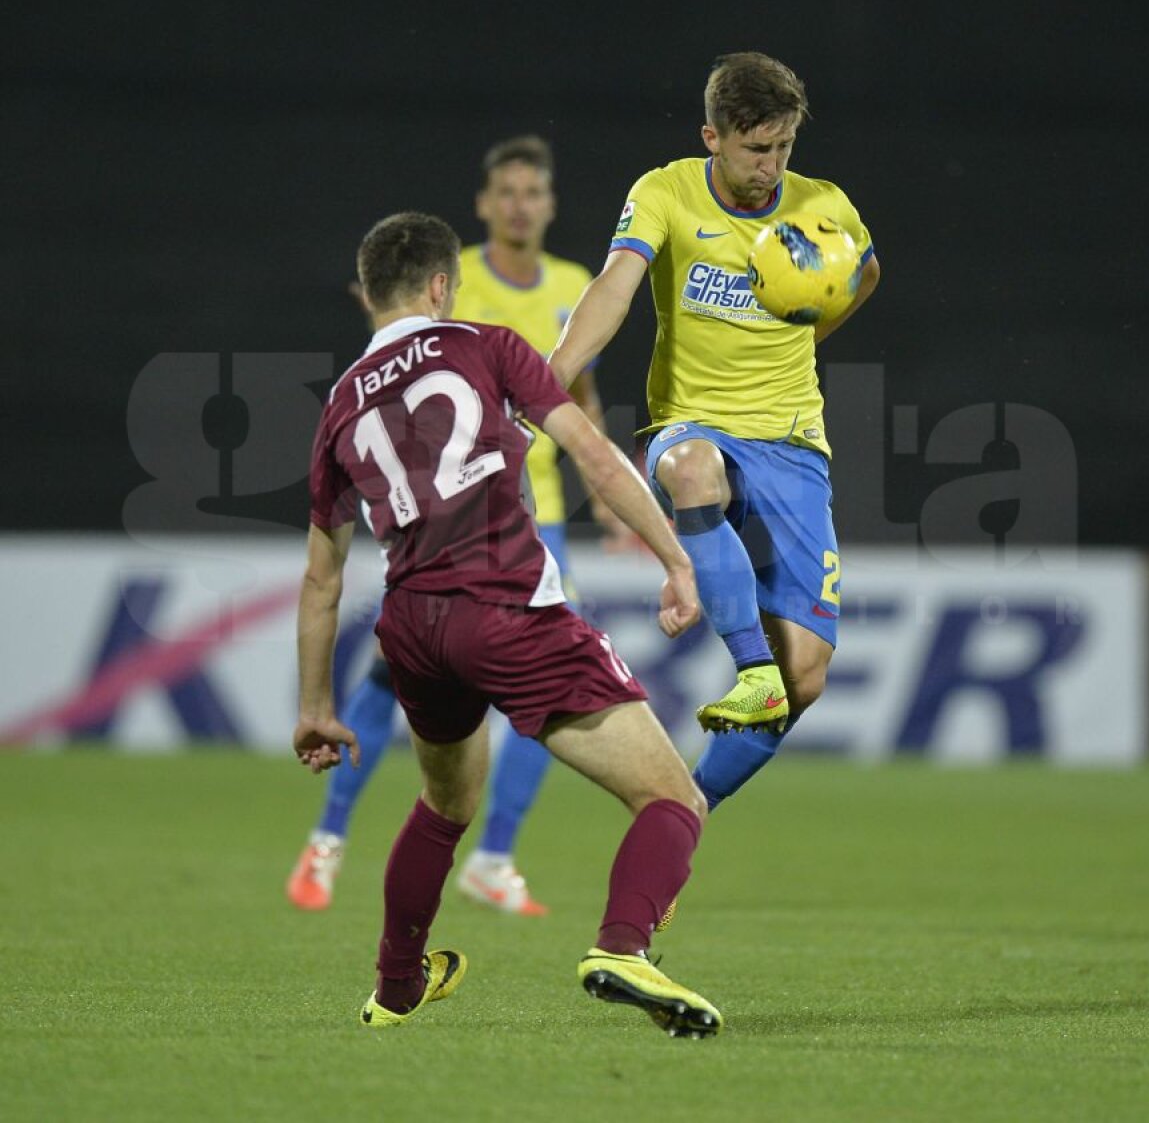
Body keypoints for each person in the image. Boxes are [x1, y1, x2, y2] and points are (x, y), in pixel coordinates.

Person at [293, 210, 721, 1038]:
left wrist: (315, 704)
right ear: (442, 285)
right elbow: (592, 452)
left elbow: (322, 574)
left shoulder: (342, 405)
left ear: (371, 295)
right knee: (674, 797)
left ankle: (395, 984)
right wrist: (675, 555)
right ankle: (622, 948)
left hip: (414, 627)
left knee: (445, 802)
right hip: (507, 608)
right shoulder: (486, 345)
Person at [287, 137, 625, 914]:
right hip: (442, 519)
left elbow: (582, 395)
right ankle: (329, 835)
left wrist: (605, 501)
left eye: (531, 192)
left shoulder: (575, 286)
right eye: (504, 191)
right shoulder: (446, 284)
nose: (518, 204)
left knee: (552, 692)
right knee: (387, 681)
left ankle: (496, 854)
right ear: (483, 204)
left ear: (548, 204)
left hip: (531, 517)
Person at [550, 52, 881, 811]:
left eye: (784, 147)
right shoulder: (663, 192)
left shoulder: (823, 205)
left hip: (793, 441)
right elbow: (613, 289)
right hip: (692, 422)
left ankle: (682, 817)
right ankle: (748, 665)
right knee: (692, 467)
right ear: (712, 136)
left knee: (807, 677)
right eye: (756, 149)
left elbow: (863, 272)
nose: (772, 166)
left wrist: (808, 331)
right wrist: (550, 373)